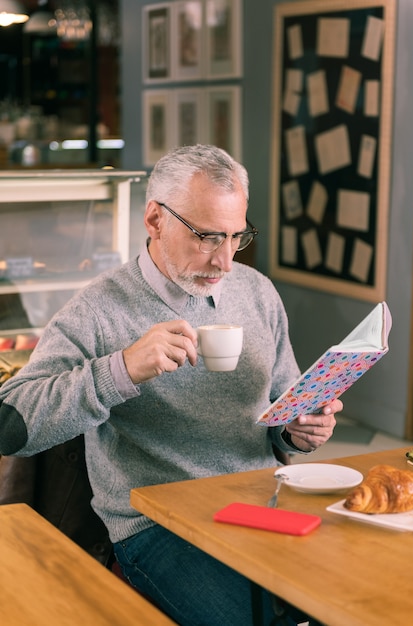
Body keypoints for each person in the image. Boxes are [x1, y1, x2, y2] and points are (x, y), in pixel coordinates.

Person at [0, 144, 341, 626]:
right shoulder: (98, 309)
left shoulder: (256, 290)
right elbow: (10, 424)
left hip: (263, 503)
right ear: (155, 220)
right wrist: (120, 369)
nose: (224, 262)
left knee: (350, 602)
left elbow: (280, 408)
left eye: (235, 237)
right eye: (206, 237)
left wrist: (297, 431)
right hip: (156, 525)